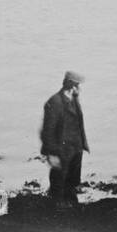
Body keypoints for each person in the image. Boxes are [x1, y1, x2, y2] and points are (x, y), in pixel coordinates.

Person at [39, 71, 89, 206]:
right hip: (61, 151)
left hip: (76, 149)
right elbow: (47, 131)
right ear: (71, 85)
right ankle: (57, 212)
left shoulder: (74, 99)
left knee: (72, 182)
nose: (79, 88)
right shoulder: (54, 102)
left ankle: (72, 207)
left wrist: (82, 145)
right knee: (58, 183)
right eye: (78, 85)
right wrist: (51, 153)